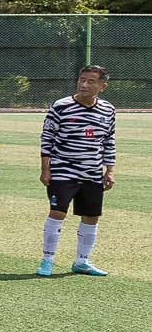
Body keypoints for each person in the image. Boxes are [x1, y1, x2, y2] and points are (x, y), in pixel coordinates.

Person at [40, 63, 117, 277]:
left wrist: (110, 170)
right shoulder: (61, 106)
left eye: (91, 81)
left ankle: (82, 261)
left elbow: (109, 141)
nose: (84, 85)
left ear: (102, 86)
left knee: (91, 216)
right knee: (57, 212)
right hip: (63, 170)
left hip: (92, 172)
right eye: (81, 80)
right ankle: (47, 260)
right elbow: (47, 138)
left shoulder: (108, 109)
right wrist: (45, 169)